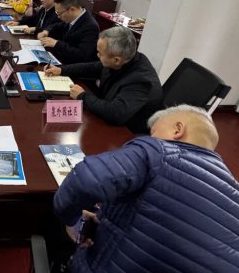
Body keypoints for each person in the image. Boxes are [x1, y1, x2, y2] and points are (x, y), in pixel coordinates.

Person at [53, 105, 239, 272]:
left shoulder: (161, 152)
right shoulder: (234, 191)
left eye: (154, 132)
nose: (151, 138)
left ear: (177, 129)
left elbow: (85, 179)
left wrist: (71, 221)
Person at [44, 26, 163, 133]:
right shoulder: (124, 58)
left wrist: (82, 96)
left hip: (126, 133)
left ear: (116, 60)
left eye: (100, 53)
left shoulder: (141, 81)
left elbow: (115, 113)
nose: (97, 55)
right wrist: (61, 70)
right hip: (103, 116)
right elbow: (93, 67)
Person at [38, 0, 99, 64]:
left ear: (71, 9)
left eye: (59, 13)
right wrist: (46, 31)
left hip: (72, 65)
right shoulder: (73, 17)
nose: (58, 17)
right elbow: (57, 25)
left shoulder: (90, 26)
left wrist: (56, 44)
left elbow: (82, 55)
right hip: (61, 59)